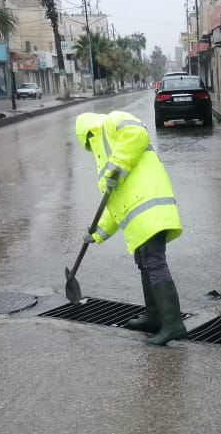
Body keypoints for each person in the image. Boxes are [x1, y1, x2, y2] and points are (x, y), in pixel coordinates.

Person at [75, 111, 187, 346]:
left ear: (88, 133)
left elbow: (138, 133)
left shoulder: (113, 121)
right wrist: (95, 233)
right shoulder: (104, 156)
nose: (88, 146)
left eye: (87, 141)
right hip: (139, 213)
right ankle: (154, 316)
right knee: (144, 261)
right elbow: (114, 205)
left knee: (154, 262)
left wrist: (116, 168)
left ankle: (173, 323)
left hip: (149, 205)